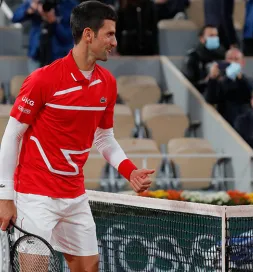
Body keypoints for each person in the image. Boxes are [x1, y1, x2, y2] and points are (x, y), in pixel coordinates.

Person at [0, 1, 155, 271]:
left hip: (75, 197)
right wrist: (5, 196)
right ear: (88, 35)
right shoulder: (43, 80)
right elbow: (12, 134)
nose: (115, 42)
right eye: (109, 34)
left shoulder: (107, 82)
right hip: (35, 196)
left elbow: (104, 137)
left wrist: (129, 171)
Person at [204, 47, 253, 126]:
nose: (233, 62)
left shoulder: (250, 81)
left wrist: (241, 79)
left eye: (236, 59)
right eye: (230, 59)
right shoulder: (219, 82)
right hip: (225, 122)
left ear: (242, 63)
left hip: (245, 123)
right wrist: (212, 79)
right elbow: (210, 99)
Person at [181, 25, 226, 94]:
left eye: (216, 36)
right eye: (211, 36)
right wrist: (208, 80)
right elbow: (189, 84)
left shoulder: (222, 55)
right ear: (201, 38)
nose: (215, 38)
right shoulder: (193, 57)